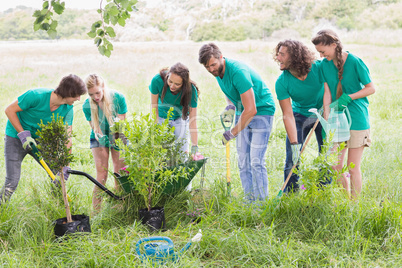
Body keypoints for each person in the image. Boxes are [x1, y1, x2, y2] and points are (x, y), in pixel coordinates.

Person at [198, 43, 276, 203]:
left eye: (213, 64)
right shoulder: (218, 73)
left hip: (261, 110)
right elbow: (231, 93)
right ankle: (249, 199)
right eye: (207, 67)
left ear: (221, 57)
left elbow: (252, 109)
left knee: (255, 160)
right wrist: (230, 106)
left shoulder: (238, 72)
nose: (211, 69)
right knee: (243, 160)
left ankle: (261, 203)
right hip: (243, 110)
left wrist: (232, 132)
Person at [0, 74, 87, 204]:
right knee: (12, 181)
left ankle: (57, 206)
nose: (79, 99)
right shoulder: (36, 95)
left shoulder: (68, 109)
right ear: (68, 93)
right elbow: (9, 110)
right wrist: (23, 134)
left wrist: (66, 165)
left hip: (40, 140)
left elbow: (67, 138)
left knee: (58, 176)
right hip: (16, 137)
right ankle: (1, 208)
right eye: (77, 95)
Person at [312, 29, 376, 199]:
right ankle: (346, 200)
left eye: (322, 51)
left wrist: (349, 97)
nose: (320, 56)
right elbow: (327, 92)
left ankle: (354, 206)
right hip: (337, 120)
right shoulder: (324, 65)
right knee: (335, 166)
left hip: (356, 119)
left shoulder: (355, 62)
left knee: (353, 167)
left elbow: (371, 88)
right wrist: (327, 118)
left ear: (334, 45)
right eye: (318, 52)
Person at [274, 39, 325, 192]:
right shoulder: (282, 82)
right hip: (299, 115)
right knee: (292, 157)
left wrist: (327, 109)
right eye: (277, 54)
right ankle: (290, 195)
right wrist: (295, 144)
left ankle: (324, 191)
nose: (278, 58)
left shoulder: (318, 69)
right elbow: (287, 115)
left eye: (282, 54)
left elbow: (336, 84)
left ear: (295, 57)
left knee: (326, 153)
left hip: (323, 113)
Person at [83, 74, 128, 212]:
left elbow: (122, 124)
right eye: (91, 94)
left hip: (118, 135)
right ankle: (96, 211)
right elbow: (95, 128)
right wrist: (99, 136)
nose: (96, 97)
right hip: (99, 139)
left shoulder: (118, 98)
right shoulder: (87, 105)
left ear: (103, 87)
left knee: (119, 173)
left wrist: (114, 139)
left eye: (97, 92)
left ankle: (120, 206)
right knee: (101, 175)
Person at [149, 62, 200, 157]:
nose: (172, 86)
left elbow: (193, 121)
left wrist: (195, 147)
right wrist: (156, 130)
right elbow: (153, 107)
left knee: (182, 153)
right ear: (167, 76)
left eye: (177, 84)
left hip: (180, 117)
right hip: (160, 116)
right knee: (161, 152)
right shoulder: (157, 80)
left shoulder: (191, 90)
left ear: (184, 84)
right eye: (170, 81)